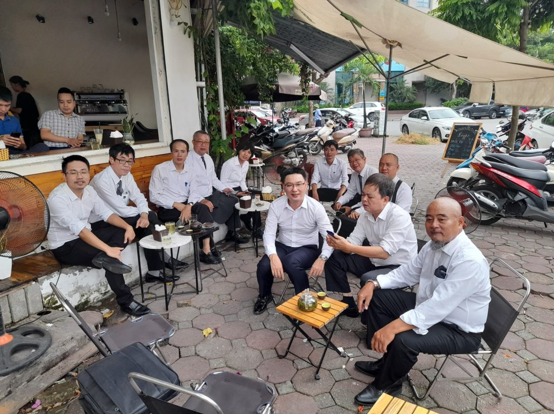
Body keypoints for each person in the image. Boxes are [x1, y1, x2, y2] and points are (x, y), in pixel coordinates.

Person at [352, 197, 491, 406]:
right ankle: (387, 362)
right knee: (379, 298)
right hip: (430, 309)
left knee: (404, 338)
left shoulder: (469, 260)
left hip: (458, 329)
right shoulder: (433, 246)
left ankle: (389, 384)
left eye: (441, 219)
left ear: (461, 222)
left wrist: (392, 328)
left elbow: (438, 306)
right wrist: (374, 283)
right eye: (429, 219)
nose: (433, 225)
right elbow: (407, 273)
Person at [47, 155, 150, 317]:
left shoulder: (89, 191)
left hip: (86, 236)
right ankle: (126, 301)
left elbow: (106, 213)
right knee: (110, 258)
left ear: (88, 174)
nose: (79, 177)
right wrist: (108, 249)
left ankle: (108, 257)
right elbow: (80, 230)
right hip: (66, 246)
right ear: (64, 176)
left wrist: (128, 227)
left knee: (119, 231)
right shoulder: (57, 199)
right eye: (73, 172)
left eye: (83, 172)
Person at [91, 143, 187, 283]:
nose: (127, 165)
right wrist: (146, 213)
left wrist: (144, 214)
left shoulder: (126, 175)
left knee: (146, 225)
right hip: (102, 223)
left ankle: (155, 271)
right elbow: (120, 209)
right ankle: (164, 258)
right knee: (150, 218)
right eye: (122, 160)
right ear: (111, 159)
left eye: (130, 161)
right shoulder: (101, 181)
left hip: (121, 216)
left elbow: (138, 197)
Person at [325, 174, 417, 317]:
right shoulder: (366, 215)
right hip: (374, 261)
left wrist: (349, 247)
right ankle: (348, 303)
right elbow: (354, 241)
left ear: (385, 199)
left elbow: (384, 252)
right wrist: (340, 244)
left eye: (370, 196)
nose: (364, 199)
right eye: (363, 195)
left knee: (368, 278)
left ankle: (369, 316)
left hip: (397, 266)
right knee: (335, 257)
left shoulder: (399, 216)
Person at [253, 167, 334, 315]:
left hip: (307, 248)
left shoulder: (316, 208)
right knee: (264, 265)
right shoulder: (276, 205)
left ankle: (304, 299)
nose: (294, 189)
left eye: (299, 184)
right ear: (283, 186)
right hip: (283, 245)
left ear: (306, 185)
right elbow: (269, 234)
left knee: (291, 262)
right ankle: (264, 296)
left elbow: (330, 237)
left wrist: (322, 258)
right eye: (289, 185)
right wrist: (273, 256)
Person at [149, 139, 221, 265]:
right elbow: (154, 196)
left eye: (183, 151)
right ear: (171, 152)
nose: (179, 155)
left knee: (202, 209)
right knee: (196, 219)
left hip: (186, 205)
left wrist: (188, 206)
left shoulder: (190, 170)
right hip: (168, 209)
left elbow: (194, 191)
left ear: (187, 153)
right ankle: (210, 248)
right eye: (176, 151)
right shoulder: (160, 169)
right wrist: (177, 205)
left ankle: (206, 249)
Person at [187, 130, 249, 244]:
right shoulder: (187, 160)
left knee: (234, 200)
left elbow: (213, 179)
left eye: (206, 142)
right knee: (205, 210)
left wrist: (224, 188)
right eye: (200, 141)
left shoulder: (208, 158)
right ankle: (209, 246)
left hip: (210, 194)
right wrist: (202, 200)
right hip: (196, 198)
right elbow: (188, 187)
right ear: (193, 142)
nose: (203, 144)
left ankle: (232, 232)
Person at [219, 141, 261, 237]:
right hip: (228, 190)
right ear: (238, 151)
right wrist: (235, 193)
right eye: (243, 151)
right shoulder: (229, 164)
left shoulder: (246, 163)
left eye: (249, 152)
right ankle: (231, 232)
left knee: (257, 197)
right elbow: (223, 183)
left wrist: (246, 191)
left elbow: (242, 180)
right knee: (235, 201)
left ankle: (256, 228)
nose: (246, 154)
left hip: (239, 188)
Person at [332, 149, 378, 237]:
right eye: (351, 161)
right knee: (340, 210)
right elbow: (350, 192)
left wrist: (353, 209)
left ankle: (352, 238)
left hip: (372, 204)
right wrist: (339, 202)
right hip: (362, 200)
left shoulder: (373, 173)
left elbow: (371, 200)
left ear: (364, 159)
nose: (354, 163)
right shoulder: (354, 175)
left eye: (357, 160)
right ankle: (341, 237)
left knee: (349, 216)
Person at [9, 76, 41, 149]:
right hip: (34, 126)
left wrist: (9, 108)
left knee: (30, 148)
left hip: (28, 127)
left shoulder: (21, 96)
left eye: (12, 85)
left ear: (16, 84)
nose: (12, 87)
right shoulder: (28, 95)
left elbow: (20, 110)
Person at [0, 87, 27, 154]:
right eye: (0, 105)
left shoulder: (14, 121)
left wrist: (19, 145)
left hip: (14, 154)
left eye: (7, 106)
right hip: (2, 155)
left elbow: (24, 146)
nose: (3, 109)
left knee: (42, 146)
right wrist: (1, 140)